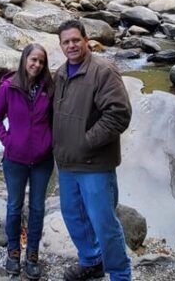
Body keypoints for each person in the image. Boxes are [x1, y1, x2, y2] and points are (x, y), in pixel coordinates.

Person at [53, 19, 132, 281]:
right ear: (60, 45)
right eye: (66, 42)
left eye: (76, 40)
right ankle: (91, 261)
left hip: (94, 163)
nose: (71, 45)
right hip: (67, 163)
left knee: (104, 223)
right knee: (74, 217)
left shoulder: (103, 71)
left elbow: (119, 114)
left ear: (86, 40)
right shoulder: (61, 74)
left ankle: (120, 274)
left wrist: (85, 142)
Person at [0, 43, 55, 279]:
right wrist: (8, 141)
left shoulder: (49, 88)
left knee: (37, 207)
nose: (37, 64)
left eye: (41, 61)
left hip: (43, 160)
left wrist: (50, 141)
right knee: (14, 206)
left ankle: (32, 255)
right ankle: (13, 253)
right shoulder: (9, 87)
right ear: (25, 59)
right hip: (15, 159)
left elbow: (55, 119)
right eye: (33, 59)